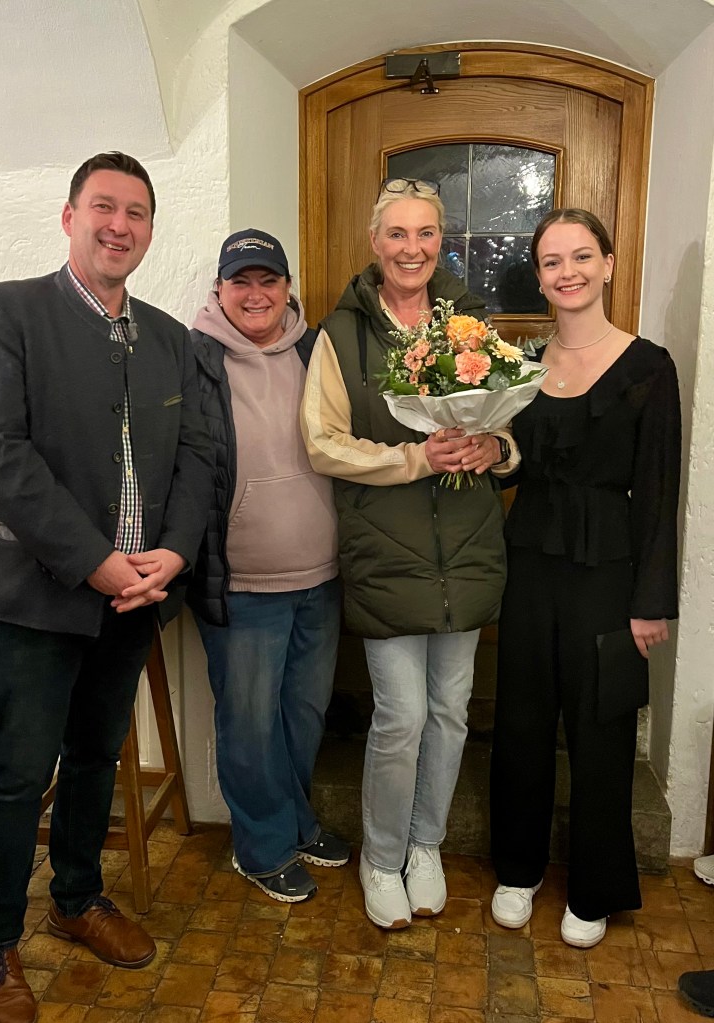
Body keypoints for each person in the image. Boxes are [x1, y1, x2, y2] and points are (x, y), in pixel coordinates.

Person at [0, 152, 214, 1023]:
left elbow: (200, 456)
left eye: (137, 212)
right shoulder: (6, 312)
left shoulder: (171, 338)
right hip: (36, 591)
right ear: (69, 217)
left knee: (100, 753)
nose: (120, 225)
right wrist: (94, 557)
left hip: (135, 595)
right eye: (104, 206)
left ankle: (75, 897)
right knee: (20, 770)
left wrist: (171, 552)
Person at [301, 178, 517, 929]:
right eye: (398, 233)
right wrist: (414, 459)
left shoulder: (473, 327)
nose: (412, 248)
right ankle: (380, 856)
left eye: (426, 234)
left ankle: (426, 845)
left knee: (451, 711)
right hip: (386, 551)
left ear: (441, 241)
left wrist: (497, 445)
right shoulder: (341, 333)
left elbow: (508, 421)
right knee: (400, 716)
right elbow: (323, 443)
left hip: (465, 547)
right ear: (374, 242)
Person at [489, 208, 681, 949]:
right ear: (538, 277)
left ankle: (595, 886)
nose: (565, 272)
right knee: (523, 720)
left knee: (601, 732)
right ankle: (518, 866)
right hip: (530, 563)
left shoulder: (648, 365)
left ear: (606, 264)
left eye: (579, 257)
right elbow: (519, 462)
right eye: (550, 261)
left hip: (609, 575)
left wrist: (651, 602)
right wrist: (493, 455)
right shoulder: (523, 365)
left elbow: (659, 491)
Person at [185, 229, 349, 904]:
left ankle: (296, 820)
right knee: (249, 721)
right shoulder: (192, 357)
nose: (256, 294)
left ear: (288, 289)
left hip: (323, 574)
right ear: (219, 290)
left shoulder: (318, 348)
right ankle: (261, 846)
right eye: (240, 281)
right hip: (241, 581)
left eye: (268, 280)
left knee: (301, 716)